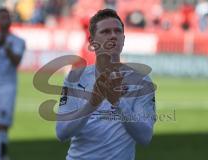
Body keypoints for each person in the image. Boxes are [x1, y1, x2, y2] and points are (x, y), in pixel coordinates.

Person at [56, 9, 156, 160]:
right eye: (106, 31)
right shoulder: (75, 77)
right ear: (92, 41)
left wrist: (119, 103)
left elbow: (145, 137)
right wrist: (93, 103)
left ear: (123, 39)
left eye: (117, 31)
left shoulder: (142, 81)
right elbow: (62, 132)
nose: (113, 36)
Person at [0, 7, 25, 160]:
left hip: (8, 87)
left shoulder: (18, 41)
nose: (5, 20)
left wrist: (7, 49)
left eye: (7, 17)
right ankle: (0, 150)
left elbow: (17, 61)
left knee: (2, 125)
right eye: (2, 17)